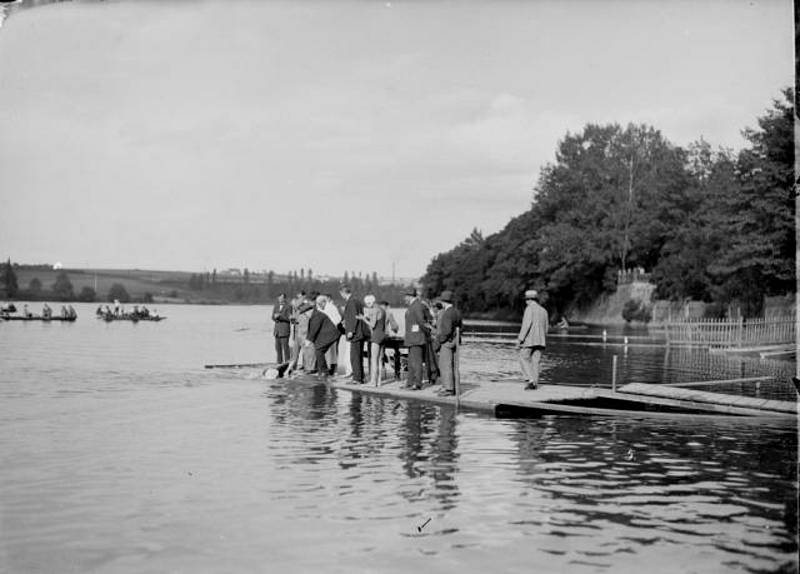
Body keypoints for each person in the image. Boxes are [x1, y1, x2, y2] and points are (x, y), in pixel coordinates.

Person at [517, 289, 549, 390]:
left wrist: (520, 340)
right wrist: (542, 338)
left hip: (530, 340)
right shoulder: (544, 310)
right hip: (541, 341)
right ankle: (535, 383)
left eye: (526, 299)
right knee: (536, 362)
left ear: (529, 299)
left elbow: (526, 325)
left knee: (523, 357)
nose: (526, 301)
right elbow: (546, 328)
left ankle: (530, 380)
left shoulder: (529, 309)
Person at [305, 295, 342, 381]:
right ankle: (322, 370)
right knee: (319, 350)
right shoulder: (315, 314)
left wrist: (309, 340)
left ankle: (324, 371)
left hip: (331, 334)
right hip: (326, 334)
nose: (306, 315)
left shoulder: (317, 315)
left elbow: (314, 329)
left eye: (306, 313)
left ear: (310, 311)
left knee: (319, 350)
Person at [434, 291, 462, 397]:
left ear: (443, 302)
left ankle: (448, 389)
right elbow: (461, 327)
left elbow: (446, 330)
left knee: (445, 365)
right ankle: (455, 387)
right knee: (454, 365)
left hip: (447, 342)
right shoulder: (457, 311)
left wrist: (441, 341)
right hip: (456, 341)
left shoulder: (447, 313)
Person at [403, 288, 431, 390]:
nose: (404, 298)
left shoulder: (417, 305)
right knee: (410, 362)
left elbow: (421, 321)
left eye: (405, 296)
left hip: (417, 338)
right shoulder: (412, 305)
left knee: (417, 362)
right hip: (411, 338)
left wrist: (427, 333)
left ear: (410, 296)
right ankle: (410, 382)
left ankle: (418, 384)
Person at [341, 284, 369, 384]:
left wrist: (350, 331)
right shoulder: (357, 300)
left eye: (341, 294)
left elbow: (353, 317)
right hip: (360, 332)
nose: (342, 296)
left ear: (343, 293)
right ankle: (361, 377)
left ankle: (357, 379)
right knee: (358, 356)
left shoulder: (351, 302)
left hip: (356, 333)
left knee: (355, 357)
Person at [363, 294, 385, 385]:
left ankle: (373, 381)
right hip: (383, 335)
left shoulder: (375, 310)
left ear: (372, 302)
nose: (368, 305)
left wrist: (364, 318)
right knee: (380, 359)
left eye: (368, 303)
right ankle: (379, 381)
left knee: (374, 359)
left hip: (376, 336)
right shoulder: (382, 309)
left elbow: (372, 325)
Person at [322, 294, 343, 375]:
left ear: (329, 298)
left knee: (332, 350)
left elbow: (339, 318)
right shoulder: (327, 307)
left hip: (333, 331)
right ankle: (332, 368)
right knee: (332, 350)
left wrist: (332, 325)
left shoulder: (333, 306)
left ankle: (332, 368)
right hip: (332, 330)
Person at [272, 293, 292, 363]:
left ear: (284, 298)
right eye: (279, 298)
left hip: (284, 331)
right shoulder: (276, 306)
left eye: (281, 298)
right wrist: (275, 317)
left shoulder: (289, 306)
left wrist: (280, 317)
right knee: (278, 348)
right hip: (277, 331)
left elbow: (289, 319)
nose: (280, 299)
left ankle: (287, 362)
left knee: (285, 348)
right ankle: (279, 362)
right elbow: (272, 317)